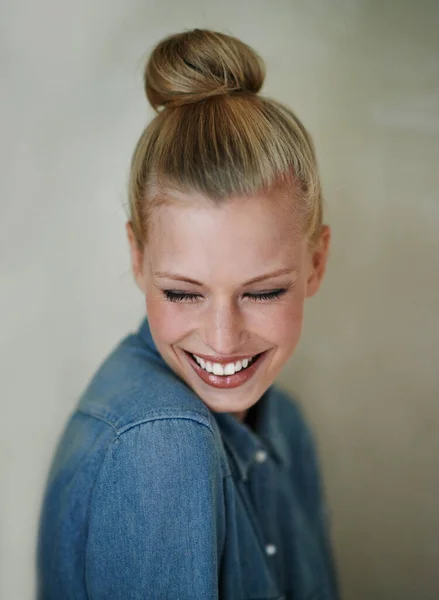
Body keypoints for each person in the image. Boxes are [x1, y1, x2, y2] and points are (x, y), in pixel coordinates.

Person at [37, 28, 340, 600]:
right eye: (182, 293)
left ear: (317, 263)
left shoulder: (287, 427)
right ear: (136, 256)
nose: (223, 339)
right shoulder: (163, 447)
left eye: (263, 292)